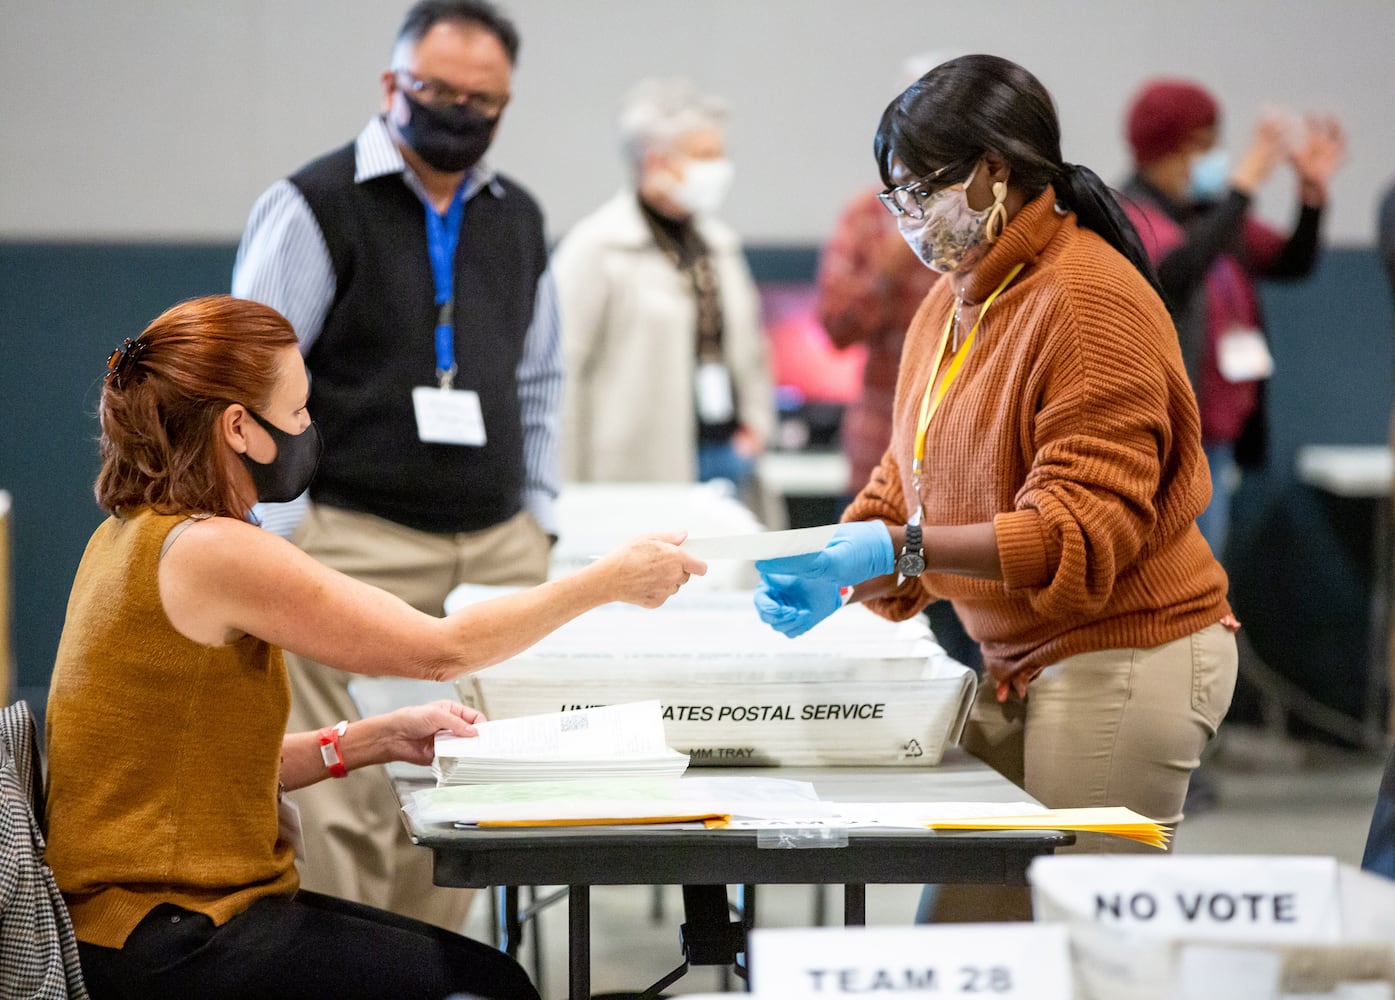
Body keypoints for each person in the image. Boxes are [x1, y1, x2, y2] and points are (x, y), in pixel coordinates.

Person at [44, 295, 704, 997]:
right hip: (170, 935)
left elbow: (191, 773)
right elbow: (439, 651)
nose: (307, 428)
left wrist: (370, 740)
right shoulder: (212, 550)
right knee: (486, 986)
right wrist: (606, 580)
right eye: (297, 413)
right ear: (238, 426)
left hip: (138, 921)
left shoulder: (126, 536)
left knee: (492, 976)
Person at [752, 55, 1238, 920]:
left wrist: (899, 551)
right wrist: (846, 563)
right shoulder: (951, 303)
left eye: (920, 190)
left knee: (1078, 953)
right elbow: (903, 481)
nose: (905, 217)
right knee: (962, 946)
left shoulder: (1086, 300)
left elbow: (1076, 537)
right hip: (1022, 663)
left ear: (997, 171)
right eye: (891, 196)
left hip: (1122, 657)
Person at [231, 0, 562, 930]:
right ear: (391, 87)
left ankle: (425, 964)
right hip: (348, 539)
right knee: (339, 789)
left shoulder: (518, 216)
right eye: (436, 91)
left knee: (462, 786)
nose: (458, 110)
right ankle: (340, 964)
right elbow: (249, 380)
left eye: (480, 98)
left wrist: (538, 515)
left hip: (495, 547)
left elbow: (539, 379)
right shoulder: (313, 204)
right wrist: (275, 542)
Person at [1118, 79, 1345, 559]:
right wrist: (1242, 186)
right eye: (1203, 144)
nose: (1216, 155)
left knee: (1208, 572)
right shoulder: (1131, 213)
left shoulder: (1212, 216)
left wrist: (1309, 198)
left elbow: (1290, 262)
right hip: (1170, 445)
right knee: (1185, 577)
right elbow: (1173, 275)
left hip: (1219, 438)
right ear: (1167, 148)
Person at [552, 77, 774, 490]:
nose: (719, 168)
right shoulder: (597, 248)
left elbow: (751, 348)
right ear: (656, 162)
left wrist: (757, 425)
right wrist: (567, 488)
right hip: (638, 472)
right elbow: (562, 375)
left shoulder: (718, 244)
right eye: (705, 156)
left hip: (726, 454)